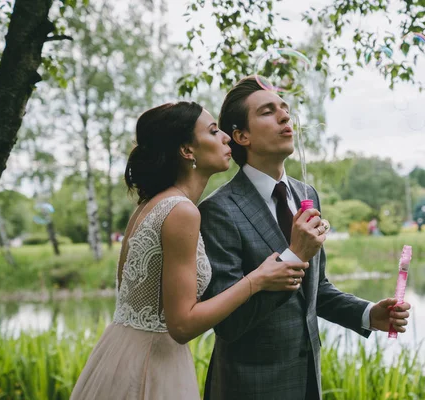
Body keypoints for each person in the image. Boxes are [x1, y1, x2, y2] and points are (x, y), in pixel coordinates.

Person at [70, 102, 309, 400]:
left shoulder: (149, 205)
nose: (225, 137)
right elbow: (182, 325)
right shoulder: (182, 211)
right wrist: (257, 280)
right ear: (187, 151)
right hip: (152, 364)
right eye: (212, 131)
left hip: (120, 353)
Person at [199, 76, 412, 400]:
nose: (286, 117)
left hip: (306, 380)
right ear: (241, 135)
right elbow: (228, 323)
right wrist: (295, 254)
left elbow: (316, 290)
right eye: (268, 112)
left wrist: (369, 314)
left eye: (284, 108)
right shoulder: (218, 210)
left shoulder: (305, 194)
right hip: (247, 386)